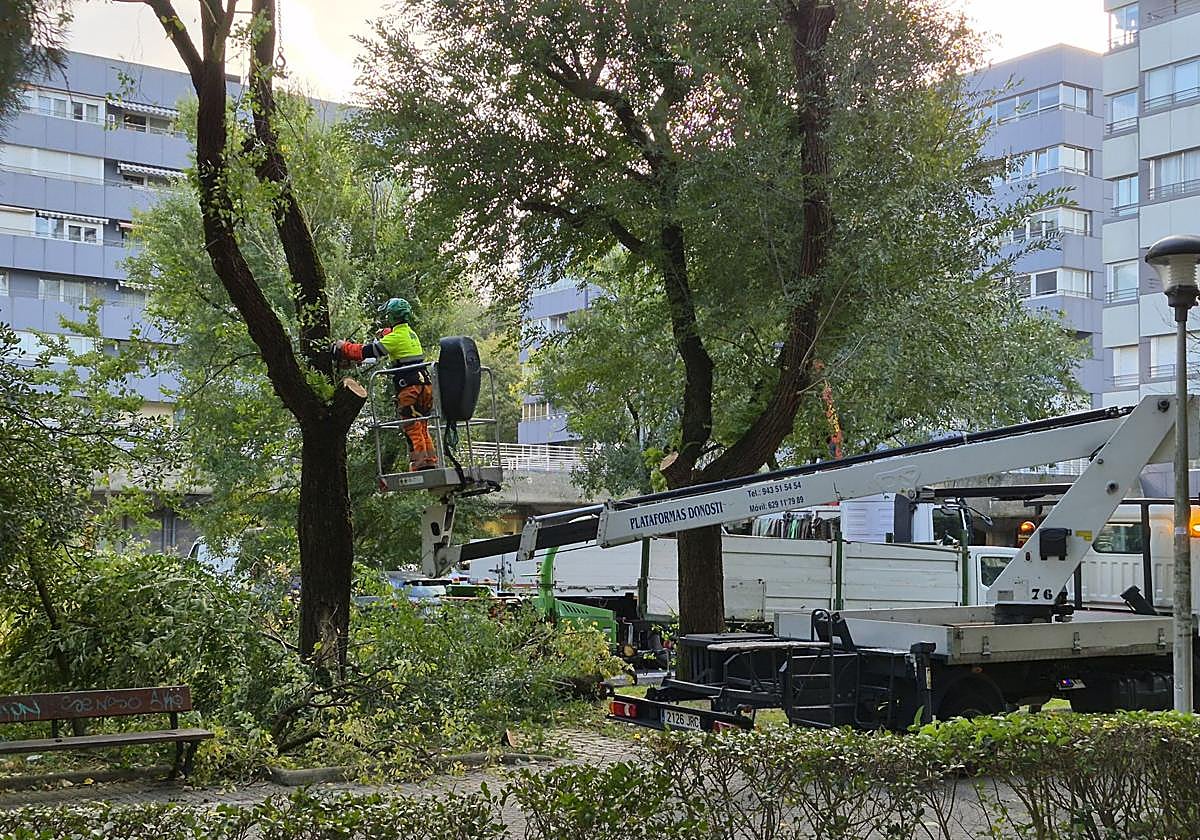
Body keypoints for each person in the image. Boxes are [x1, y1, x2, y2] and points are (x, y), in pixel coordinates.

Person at [333, 297, 438, 471]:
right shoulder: (411, 334)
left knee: (412, 426)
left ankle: (421, 465)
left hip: (409, 388)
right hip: (425, 386)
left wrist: (343, 348)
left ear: (391, 316)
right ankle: (430, 461)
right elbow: (396, 343)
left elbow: (367, 351)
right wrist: (386, 334)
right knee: (422, 425)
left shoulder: (395, 338)